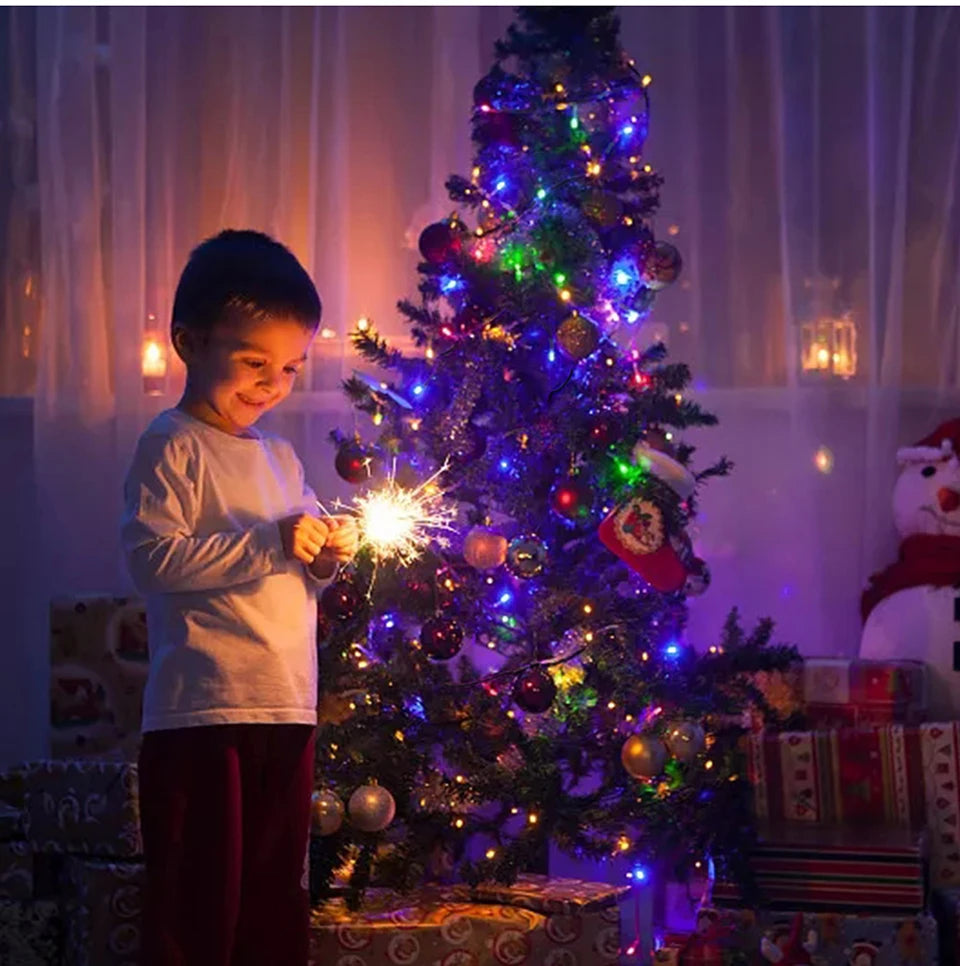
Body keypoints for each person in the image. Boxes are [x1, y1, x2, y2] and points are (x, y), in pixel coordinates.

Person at [121, 229, 358, 965]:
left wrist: (327, 552)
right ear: (188, 342)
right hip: (203, 709)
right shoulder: (173, 445)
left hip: (285, 704)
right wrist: (271, 544)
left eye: (289, 366)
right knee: (199, 898)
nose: (272, 384)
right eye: (253, 361)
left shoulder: (282, 459)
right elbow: (153, 560)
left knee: (273, 892)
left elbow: (299, 559)